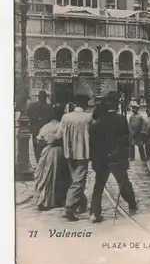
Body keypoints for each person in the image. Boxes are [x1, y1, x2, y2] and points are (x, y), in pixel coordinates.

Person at [89, 93, 138, 223]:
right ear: (115, 104)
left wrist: (94, 159)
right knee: (124, 183)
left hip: (102, 159)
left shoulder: (98, 120)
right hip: (117, 158)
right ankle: (132, 203)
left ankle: (94, 212)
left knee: (98, 186)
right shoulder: (120, 119)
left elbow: (92, 142)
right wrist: (125, 157)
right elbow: (125, 140)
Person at [56, 94, 92, 222]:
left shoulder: (66, 117)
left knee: (75, 179)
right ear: (85, 104)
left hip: (69, 153)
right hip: (83, 153)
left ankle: (82, 203)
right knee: (78, 181)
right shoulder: (88, 117)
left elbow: (59, 134)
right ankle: (68, 208)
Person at [34, 103, 70, 211]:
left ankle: (44, 199)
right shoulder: (61, 126)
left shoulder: (46, 126)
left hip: (46, 152)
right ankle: (58, 199)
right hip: (59, 151)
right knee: (58, 175)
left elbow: (39, 140)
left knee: (45, 175)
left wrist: (45, 144)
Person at [27, 90, 54, 163]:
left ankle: (38, 161)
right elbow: (51, 117)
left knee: (36, 147)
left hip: (35, 129)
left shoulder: (32, 106)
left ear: (38, 97)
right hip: (45, 130)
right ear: (45, 98)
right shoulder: (49, 106)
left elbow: (28, 115)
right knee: (44, 147)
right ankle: (43, 161)